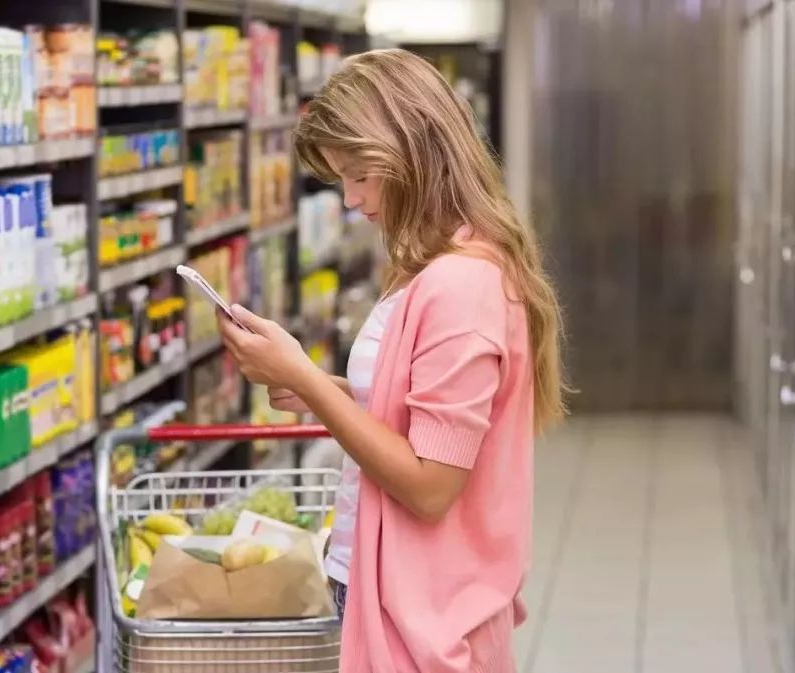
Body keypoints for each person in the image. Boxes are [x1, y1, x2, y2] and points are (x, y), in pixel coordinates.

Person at [217, 48, 566, 673]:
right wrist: (325, 388)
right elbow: (420, 415)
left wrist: (304, 379)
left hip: (425, 610)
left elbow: (431, 485)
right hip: (395, 589)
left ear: (409, 150)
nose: (351, 200)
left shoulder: (460, 284)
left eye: (358, 174)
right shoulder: (440, 262)